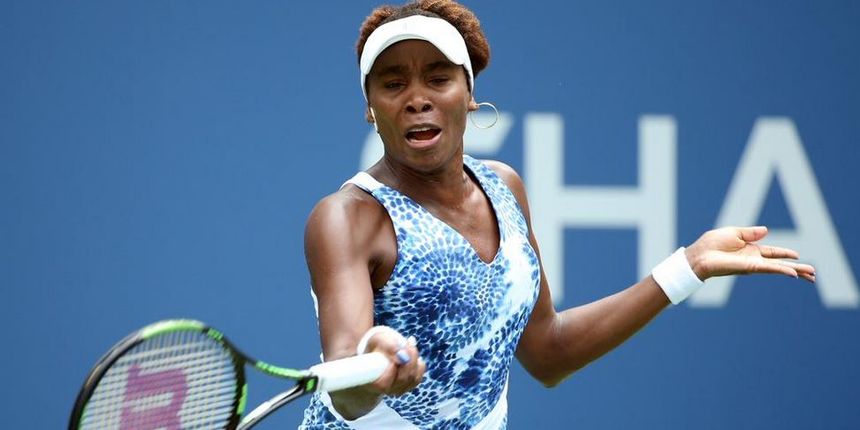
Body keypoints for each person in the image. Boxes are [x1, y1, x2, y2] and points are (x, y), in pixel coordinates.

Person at [298, 1, 816, 428]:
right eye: (393, 84)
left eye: (438, 79)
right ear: (370, 106)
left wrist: (690, 265)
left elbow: (548, 353)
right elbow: (345, 381)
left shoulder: (504, 187)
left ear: (469, 93)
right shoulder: (347, 217)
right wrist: (373, 360)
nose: (417, 99)